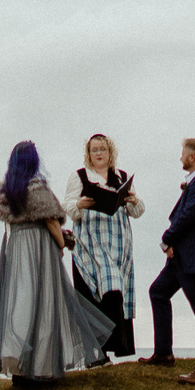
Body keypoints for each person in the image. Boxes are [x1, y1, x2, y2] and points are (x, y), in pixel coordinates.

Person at [0, 139, 119, 384]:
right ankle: (41, 368)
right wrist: (62, 243)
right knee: (48, 304)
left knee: (22, 306)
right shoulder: (37, 188)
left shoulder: (7, 189)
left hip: (17, 247)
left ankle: (20, 368)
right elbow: (50, 221)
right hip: (39, 248)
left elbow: (10, 222)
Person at [142, 137, 195, 385]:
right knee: (158, 292)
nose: (180, 158)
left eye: (182, 154)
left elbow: (186, 218)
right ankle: (164, 353)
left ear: (192, 157)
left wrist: (166, 240)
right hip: (181, 258)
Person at [67, 134, 143, 359]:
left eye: (103, 149)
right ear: (88, 154)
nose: (99, 153)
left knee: (115, 290)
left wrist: (133, 201)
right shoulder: (80, 177)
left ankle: (116, 347)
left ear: (110, 152)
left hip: (118, 244)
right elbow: (68, 206)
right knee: (103, 290)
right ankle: (97, 351)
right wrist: (79, 204)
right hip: (90, 243)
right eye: (94, 150)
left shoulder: (122, 177)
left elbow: (137, 211)